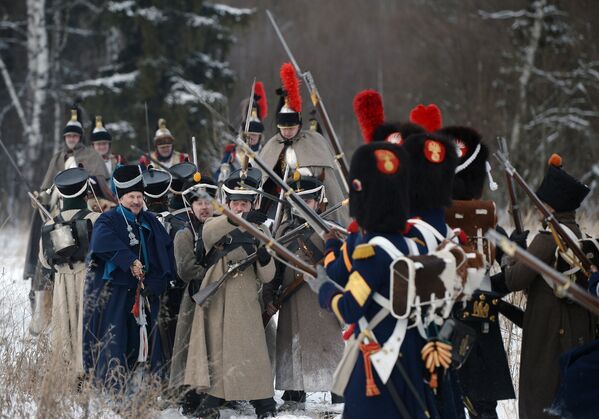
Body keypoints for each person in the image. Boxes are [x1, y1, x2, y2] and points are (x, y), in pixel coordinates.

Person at [310, 141, 439, 418]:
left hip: (380, 360)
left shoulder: (372, 253)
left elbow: (349, 308)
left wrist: (324, 291)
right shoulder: (415, 245)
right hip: (413, 357)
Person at [501, 154, 595, 418]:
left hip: (549, 332)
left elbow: (514, 279)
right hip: (576, 333)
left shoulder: (547, 240)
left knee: (541, 397)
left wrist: (511, 252)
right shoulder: (579, 236)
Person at [183, 168, 277, 418]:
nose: (240, 207)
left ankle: (264, 402)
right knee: (217, 353)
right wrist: (239, 219)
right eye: (235, 203)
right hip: (217, 298)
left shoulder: (262, 231)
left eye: (245, 203)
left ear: (252, 203)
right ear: (228, 202)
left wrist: (266, 257)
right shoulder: (215, 223)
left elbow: (268, 276)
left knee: (252, 352)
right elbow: (209, 234)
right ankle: (212, 400)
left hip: (246, 298)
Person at [439, 125, 517, 418]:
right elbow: (510, 269)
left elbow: (510, 263)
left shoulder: (487, 226)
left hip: (472, 318)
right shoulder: (437, 223)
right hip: (463, 315)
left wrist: (513, 249)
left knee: (475, 400)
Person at [82, 164, 175, 390]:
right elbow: (101, 243)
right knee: (116, 340)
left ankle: (148, 387)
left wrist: (156, 281)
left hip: (146, 293)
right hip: (117, 293)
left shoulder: (150, 220)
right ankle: (115, 387)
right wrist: (130, 261)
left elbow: (165, 251)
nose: (136, 201)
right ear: (121, 197)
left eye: (139, 196)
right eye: (131, 196)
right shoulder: (108, 220)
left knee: (145, 342)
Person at [264, 169, 344, 410]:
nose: (302, 206)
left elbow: (341, 267)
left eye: (307, 201)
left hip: (324, 300)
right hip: (292, 299)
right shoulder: (284, 230)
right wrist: (269, 296)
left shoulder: (332, 229)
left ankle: (337, 399)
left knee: (329, 350)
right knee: (292, 346)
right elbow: (275, 270)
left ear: (318, 201)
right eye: (297, 202)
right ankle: (293, 397)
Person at [28, 106, 111, 336]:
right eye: (68, 136)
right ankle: (43, 310)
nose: (72, 139)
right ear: (65, 138)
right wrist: (41, 197)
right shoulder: (58, 157)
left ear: (79, 138)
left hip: (87, 207)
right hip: (58, 211)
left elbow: (101, 186)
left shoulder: (91, 156)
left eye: (75, 136)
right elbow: (47, 188)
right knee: (45, 249)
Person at [258, 63, 347, 223]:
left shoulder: (314, 141)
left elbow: (328, 180)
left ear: (299, 125)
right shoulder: (272, 145)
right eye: (283, 129)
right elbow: (265, 179)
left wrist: (308, 174)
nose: (287, 132)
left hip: (315, 198)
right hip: (282, 201)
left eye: (291, 128)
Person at [38, 167, 100, 377]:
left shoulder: (49, 223)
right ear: (86, 192)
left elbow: (45, 262)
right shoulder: (97, 219)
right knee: (88, 327)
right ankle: (87, 373)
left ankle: (68, 375)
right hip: (89, 279)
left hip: (62, 282)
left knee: (65, 330)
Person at [168, 177, 217, 414]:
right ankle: (190, 396)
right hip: (196, 297)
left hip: (221, 298)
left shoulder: (222, 229)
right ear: (191, 207)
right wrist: (215, 274)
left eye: (207, 202)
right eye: (198, 203)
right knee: (191, 346)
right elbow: (186, 269)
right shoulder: (184, 234)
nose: (204, 207)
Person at [215, 81, 268, 182]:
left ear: (260, 136)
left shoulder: (266, 151)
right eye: (249, 135)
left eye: (254, 135)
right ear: (243, 135)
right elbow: (218, 174)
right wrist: (223, 174)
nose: (251, 137)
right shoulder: (232, 152)